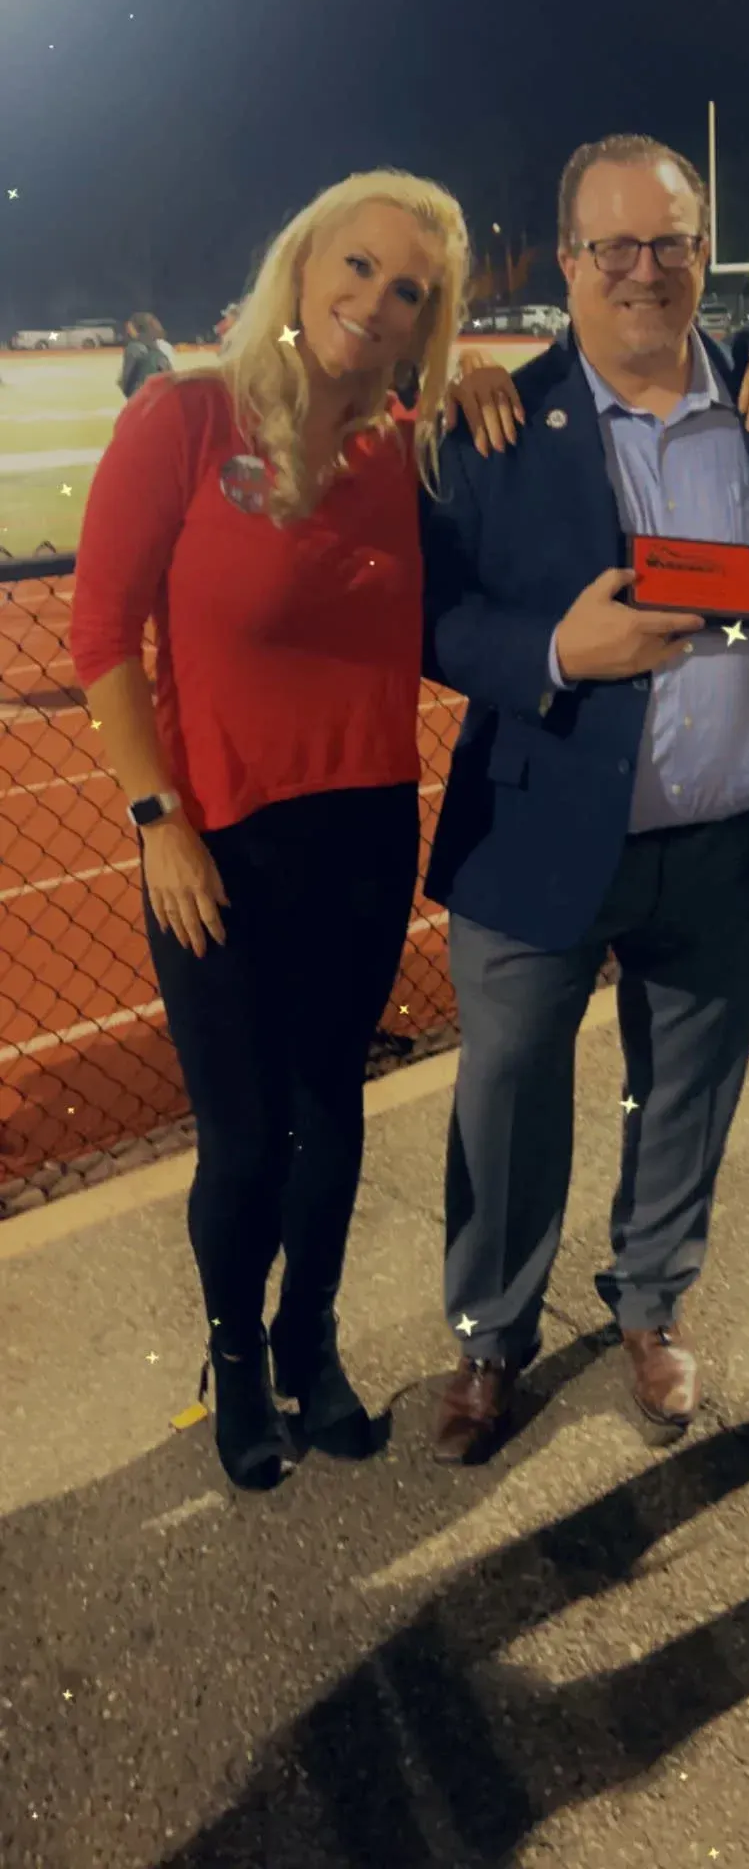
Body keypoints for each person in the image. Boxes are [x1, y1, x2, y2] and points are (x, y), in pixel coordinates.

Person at [71, 169, 472, 1492]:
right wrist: (157, 820)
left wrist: (479, 394)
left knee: (331, 1113)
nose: (375, 299)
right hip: (218, 845)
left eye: (408, 290)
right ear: (302, 264)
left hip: (363, 835)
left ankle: (312, 1339)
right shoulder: (186, 419)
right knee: (244, 1141)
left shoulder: (410, 452)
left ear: (426, 321)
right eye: (356, 265)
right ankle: (236, 1356)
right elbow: (98, 638)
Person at [420, 132, 749, 1464]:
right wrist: (550, 652)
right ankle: (489, 1333)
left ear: (705, 251)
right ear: (568, 259)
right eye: (615, 246)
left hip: (724, 839)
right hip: (540, 827)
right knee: (506, 1096)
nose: (645, 270)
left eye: (671, 242)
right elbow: (433, 616)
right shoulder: (492, 425)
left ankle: (650, 1302)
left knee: (684, 1094)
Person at [119, 312, 174, 399]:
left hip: (142, 398)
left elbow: (126, 380)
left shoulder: (134, 347)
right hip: (163, 396)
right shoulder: (165, 345)